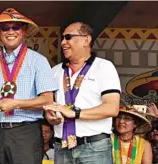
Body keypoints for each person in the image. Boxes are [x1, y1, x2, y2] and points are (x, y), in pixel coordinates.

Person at [0, 8, 57, 164]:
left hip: (25, 131)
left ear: (24, 31)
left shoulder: (38, 60)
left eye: (16, 27)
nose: (10, 31)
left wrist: (16, 103)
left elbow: (47, 100)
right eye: (5, 28)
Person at [44, 22, 121, 164]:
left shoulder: (104, 67)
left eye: (68, 37)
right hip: (62, 147)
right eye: (62, 38)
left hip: (94, 147)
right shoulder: (55, 71)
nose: (63, 43)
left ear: (87, 40)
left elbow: (112, 108)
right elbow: (50, 106)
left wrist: (76, 113)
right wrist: (51, 117)